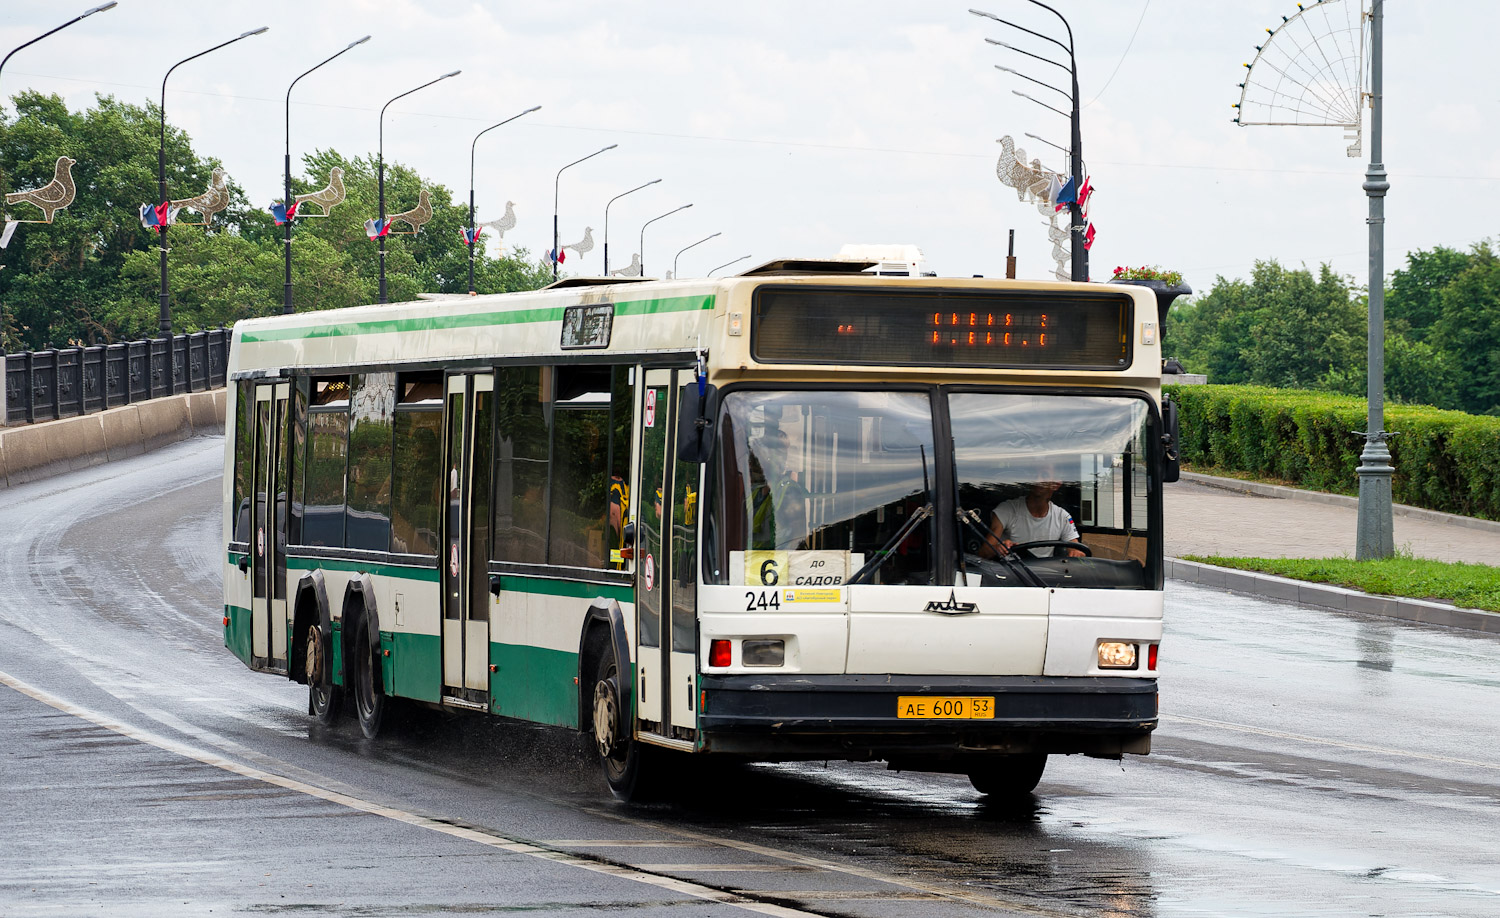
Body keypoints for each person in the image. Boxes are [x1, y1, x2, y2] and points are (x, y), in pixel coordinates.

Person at [983, 466, 1084, 559]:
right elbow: (983, 552)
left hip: (1043, 575)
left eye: (1044, 475)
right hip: (1011, 574)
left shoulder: (1063, 517)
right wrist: (998, 548)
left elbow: (1075, 548)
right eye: (1034, 475)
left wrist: (1076, 553)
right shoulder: (1007, 510)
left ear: (1056, 485)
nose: (1037, 480)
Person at [749, 428, 809, 550]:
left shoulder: (789, 491)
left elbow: (797, 538)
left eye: (755, 459)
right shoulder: (755, 492)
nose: (750, 464)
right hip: (748, 562)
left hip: (777, 564)